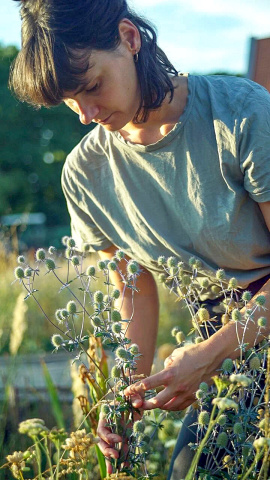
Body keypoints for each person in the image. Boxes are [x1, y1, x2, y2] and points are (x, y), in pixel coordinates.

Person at [10, 0, 270, 478]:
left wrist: (210, 355)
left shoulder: (241, 114)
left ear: (130, 39)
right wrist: (128, 393)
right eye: (69, 100)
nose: (85, 114)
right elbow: (134, 290)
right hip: (225, 354)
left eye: (92, 86)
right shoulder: (85, 174)